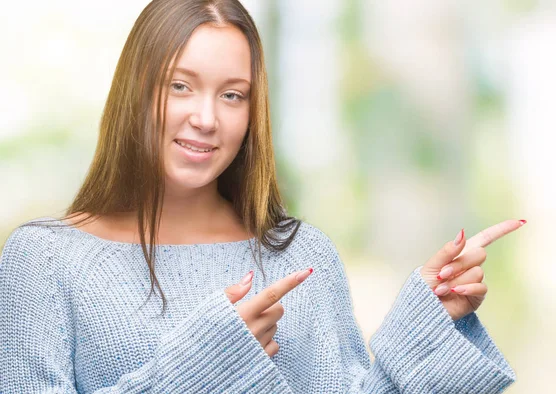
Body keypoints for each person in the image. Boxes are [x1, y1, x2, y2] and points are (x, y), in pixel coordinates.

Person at [0, 0, 522, 392]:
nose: (206, 118)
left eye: (232, 95)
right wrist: (202, 366)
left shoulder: (302, 254)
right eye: (179, 86)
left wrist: (424, 322)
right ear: (135, 92)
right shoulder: (45, 261)